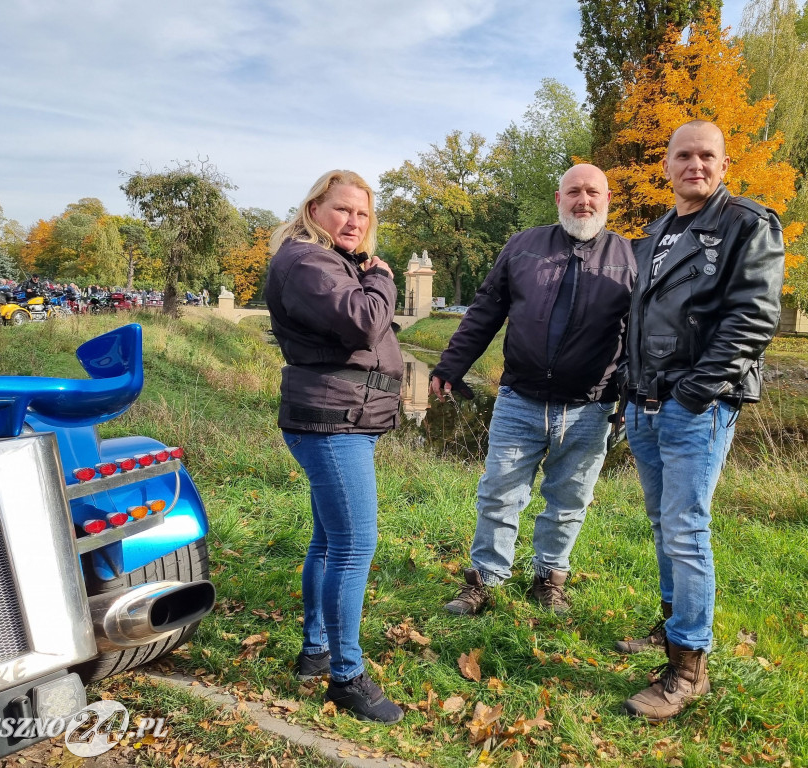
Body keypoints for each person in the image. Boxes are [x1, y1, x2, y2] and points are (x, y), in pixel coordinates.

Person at [617, 119, 785, 721]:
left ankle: (689, 668)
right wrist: (629, 392)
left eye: (706, 155)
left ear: (723, 162)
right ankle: (671, 630)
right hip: (646, 403)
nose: (695, 165)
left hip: (697, 404)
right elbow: (638, 320)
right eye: (683, 155)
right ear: (666, 165)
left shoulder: (746, 224)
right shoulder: (657, 232)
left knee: (686, 528)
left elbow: (755, 317)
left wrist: (695, 393)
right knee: (665, 525)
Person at [432, 163, 636, 616]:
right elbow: (486, 309)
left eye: (593, 193)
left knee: (568, 500)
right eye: (574, 192)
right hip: (519, 399)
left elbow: (638, 335)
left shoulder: (629, 258)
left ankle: (550, 578)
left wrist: (629, 396)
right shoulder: (523, 246)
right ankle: (485, 579)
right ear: (559, 199)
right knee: (499, 494)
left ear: (607, 200)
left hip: (591, 406)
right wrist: (450, 365)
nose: (584, 200)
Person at [264, 169, 404, 724]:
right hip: (332, 421)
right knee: (353, 546)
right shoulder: (306, 261)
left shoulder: (332, 263)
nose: (354, 221)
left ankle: (315, 651)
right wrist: (384, 279)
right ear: (315, 208)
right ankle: (347, 677)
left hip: (343, 418)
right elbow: (367, 323)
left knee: (329, 541)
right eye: (343, 209)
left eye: (363, 214)